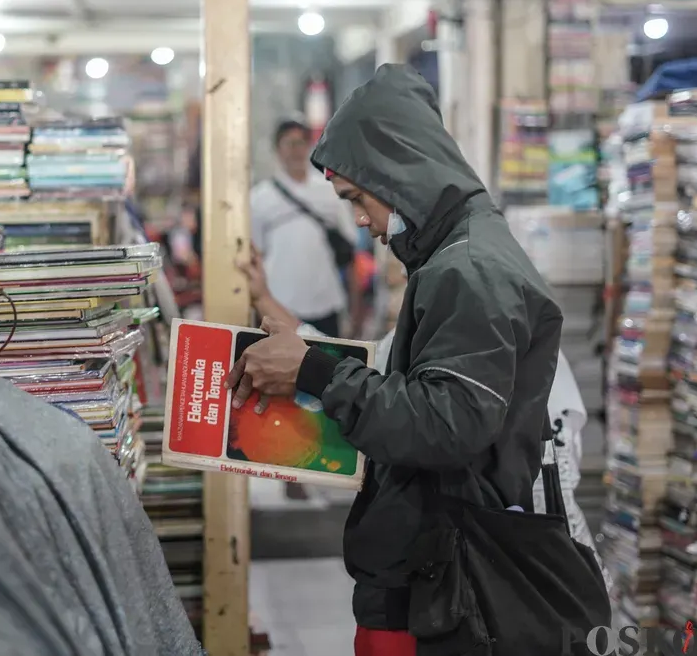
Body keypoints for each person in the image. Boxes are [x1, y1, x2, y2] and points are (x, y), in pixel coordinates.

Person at [227, 64, 565, 656]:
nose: (359, 219)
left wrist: (314, 371)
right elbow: (424, 383)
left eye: (358, 199)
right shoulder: (455, 255)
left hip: (447, 574)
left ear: (399, 173)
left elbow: (447, 423)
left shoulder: (468, 268)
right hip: (434, 558)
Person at [250, 119, 356, 338]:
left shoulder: (330, 191)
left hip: (326, 302)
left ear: (309, 146)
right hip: (280, 304)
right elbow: (256, 254)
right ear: (277, 150)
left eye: (300, 143)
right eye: (289, 144)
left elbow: (351, 251)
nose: (295, 151)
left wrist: (356, 309)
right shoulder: (259, 198)